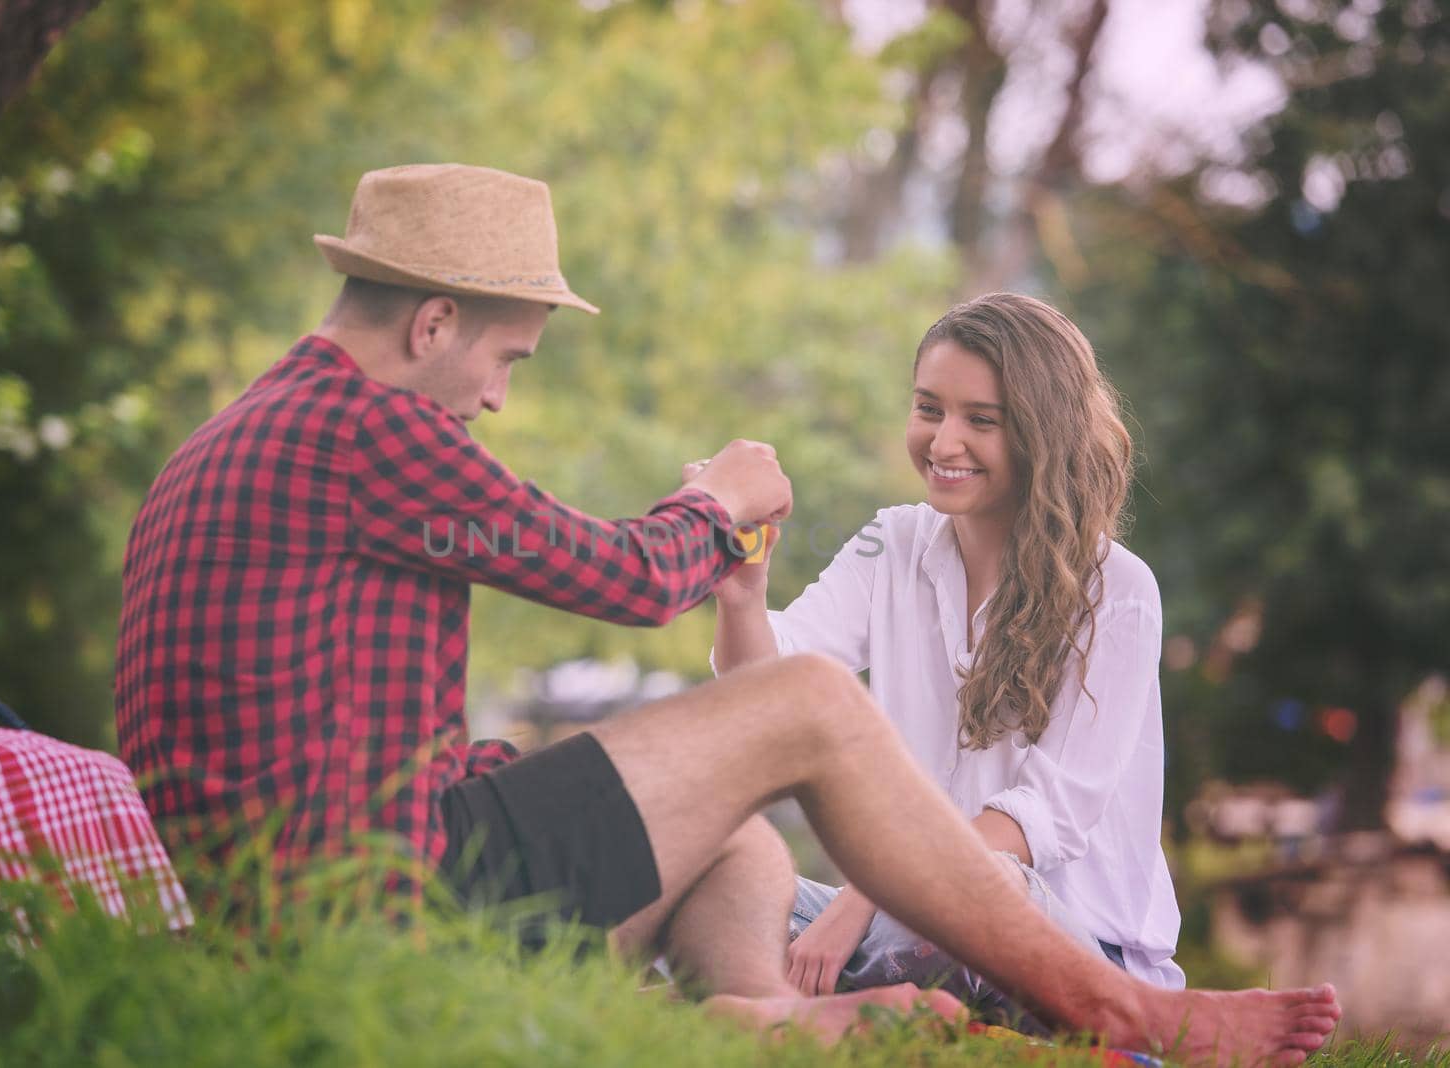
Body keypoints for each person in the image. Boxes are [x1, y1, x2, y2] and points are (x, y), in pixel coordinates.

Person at [116, 164, 1341, 1062]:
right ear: (432, 324)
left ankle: (763, 1022)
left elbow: (349, 746)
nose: (493, 398)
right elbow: (629, 579)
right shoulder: (368, 428)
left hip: (320, 889)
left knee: (734, 832)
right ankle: (1124, 1013)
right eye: (506, 361)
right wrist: (721, 503)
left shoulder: (235, 438)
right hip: (385, 901)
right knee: (808, 703)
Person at [707, 293, 1183, 1022]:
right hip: (902, 915)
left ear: (1040, 433)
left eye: (980, 420)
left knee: (985, 893)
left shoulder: (1117, 591)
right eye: (929, 408)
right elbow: (770, 689)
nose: (943, 441)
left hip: (1071, 946)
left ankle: (778, 996)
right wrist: (744, 591)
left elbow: (1037, 824)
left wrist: (865, 899)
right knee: (713, 864)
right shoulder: (893, 542)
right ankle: (829, 1005)